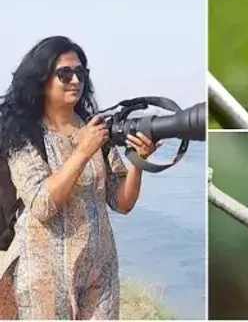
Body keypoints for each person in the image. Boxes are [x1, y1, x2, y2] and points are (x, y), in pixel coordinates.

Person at [0, 36, 158, 319]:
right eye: (65, 73)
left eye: (81, 73)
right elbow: (41, 205)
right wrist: (83, 150)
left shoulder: (96, 128)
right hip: (44, 277)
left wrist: (138, 161)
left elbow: (121, 202)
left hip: (100, 272)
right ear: (42, 79)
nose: (75, 80)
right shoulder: (24, 135)